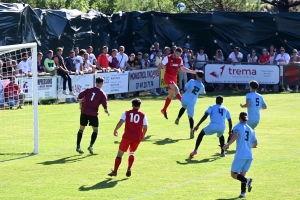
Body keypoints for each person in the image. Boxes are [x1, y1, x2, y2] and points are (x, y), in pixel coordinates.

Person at [108, 98, 148, 177]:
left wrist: (115, 129)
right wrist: (143, 135)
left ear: (132, 105)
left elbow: (121, 122)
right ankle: (129, 168)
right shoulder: (143, 115)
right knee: (132, 152)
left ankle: (115, 171)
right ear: (139, 106)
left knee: (120, 153)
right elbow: (145, 126)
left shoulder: (126, 113)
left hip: (127, 136)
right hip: (137, 138)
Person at [152, 47, 196, 119]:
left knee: (171, 95)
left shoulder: (180, 59)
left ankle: (164, 110)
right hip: (168, 76)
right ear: (174, 52)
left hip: (174, 77)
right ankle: (184, 102)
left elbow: (183, 68)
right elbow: (161, 66)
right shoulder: (168, 58)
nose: (178, 55)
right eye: (177, 53)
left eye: (179, 54)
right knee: (176, 89)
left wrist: (192, 71)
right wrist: (155, 74)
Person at [223, 112, 257, 198]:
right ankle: (243, 193)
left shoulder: (237, 127)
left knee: (233, 174)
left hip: (240, 155)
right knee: (242, 174)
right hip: (249, 155)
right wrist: (248, 146)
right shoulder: (251, 129)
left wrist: (227, 144)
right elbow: (255, 143)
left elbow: (236, 135)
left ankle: (247, 180)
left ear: (239, 118)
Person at [76, 76, 110, 154]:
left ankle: (78, 147)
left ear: (95, 83)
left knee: (81, 129)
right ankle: (90, 146)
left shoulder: (89, 89)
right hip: (93, 114)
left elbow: (80, 96)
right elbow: (105, 105)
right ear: (102, 84)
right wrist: (107, 111)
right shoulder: (102, 93)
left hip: (84, 112)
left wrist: (81, 102)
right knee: (95, 130)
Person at [175, 71, 206, 139]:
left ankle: (178, 118)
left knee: (183, 107)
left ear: (197, 76)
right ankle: (191, 129)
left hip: (185, 98)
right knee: (190, 117)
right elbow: (203, 92)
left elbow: (185, 87)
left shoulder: (192, 81)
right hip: (192, 101)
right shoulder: (202, 85)